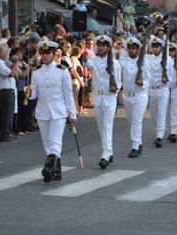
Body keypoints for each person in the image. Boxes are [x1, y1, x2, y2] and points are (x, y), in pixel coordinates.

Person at [25, 41, 76, 182]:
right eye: (43, 53)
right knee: (47, 143)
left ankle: (48, 169)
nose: (45, 56)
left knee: (54, 141)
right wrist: (29, 93)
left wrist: (72, 112)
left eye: (48, 53)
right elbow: (35, 93)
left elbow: (68, 93)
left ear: (54, 54)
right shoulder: (37, 72)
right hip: (42, 111)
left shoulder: (62, 70)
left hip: (59, 111)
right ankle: (56, 171)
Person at [83, 35, 122, 169]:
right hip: (97, 97)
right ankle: (109, 151)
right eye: (99, 45)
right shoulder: (93, 60)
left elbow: (119, 80)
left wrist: (115, 90)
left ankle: (105, 154)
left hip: (109, 97)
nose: (101, 48)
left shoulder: (114, 63)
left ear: (107, 47)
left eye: (103, 46)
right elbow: (86, 64)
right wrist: (83, 55)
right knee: (101, 126)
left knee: (107, 125)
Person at [119, 37, 148, 158]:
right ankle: (139, 142)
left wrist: (143, 83)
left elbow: (149, 79)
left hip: (140, 96)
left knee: (136, 121)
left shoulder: (144, 62)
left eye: (134, 48)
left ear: (138, 50)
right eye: (129, 48)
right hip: (127, 97)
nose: (131, 50)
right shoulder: (123, 61)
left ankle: (135, 147)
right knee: (132, 121)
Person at [147, 36, 170, 147]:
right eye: (153, 47)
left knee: (162, 112)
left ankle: (159, 135)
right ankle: (158, 130)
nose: (155, 49)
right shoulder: (148, 58)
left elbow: (171, 72)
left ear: (161, 47)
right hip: (151, 89)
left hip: (162, 89)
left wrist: (167, 78)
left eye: (157, 47)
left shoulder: (167, 59)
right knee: (153, 112)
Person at [0, 44, 20, 142]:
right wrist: (16, 63)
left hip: (7, 89)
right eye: (6, 53)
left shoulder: (2, 62)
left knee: (9, 112)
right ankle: (5, 134)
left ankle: (7, 132)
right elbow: (11, 73)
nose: (8, 55)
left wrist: (13, 64)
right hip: (4, 90)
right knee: (6, 113)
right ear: (1, 54)